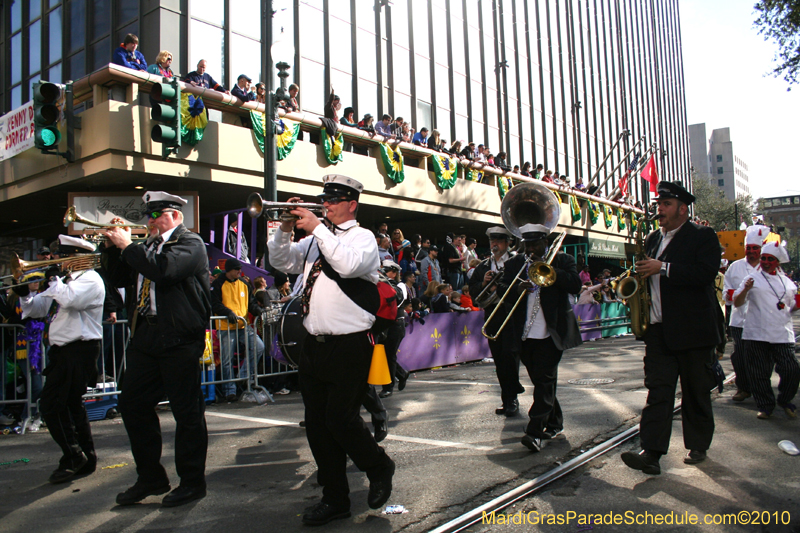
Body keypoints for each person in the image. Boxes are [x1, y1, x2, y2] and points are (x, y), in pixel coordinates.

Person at [267, 175, 395, 526]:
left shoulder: (362, 238)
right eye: (325, 199)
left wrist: (318, 229)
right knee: (318, 426)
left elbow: (348, 266)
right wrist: (284, 228)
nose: (327, 205)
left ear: (351, 204)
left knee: (341, 419)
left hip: (350, 344)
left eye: (335, 200)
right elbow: (281, 261)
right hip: (314, 343)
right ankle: (335, 498)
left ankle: (379, 465)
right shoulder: (315, 242)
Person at [104, 191, 211, 507]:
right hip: (146, 337)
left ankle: (192, 482)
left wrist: (128, 246)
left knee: (187, 412)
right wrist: (111, 248)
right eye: (147, 215)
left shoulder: (190, 243)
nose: (149, 221)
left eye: (156, 214)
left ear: (175, 215)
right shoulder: (145, 248)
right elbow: (119, 277)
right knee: (132, 405)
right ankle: (150, 477)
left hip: (179, 339)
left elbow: (164, 271)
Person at [621, 181, 723, 475]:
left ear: (682, 208)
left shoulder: (702, 236)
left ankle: (698, 444)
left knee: (696, 392)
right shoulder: (653, 238)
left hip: (694, 331)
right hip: (658, 331)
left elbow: (705, 273)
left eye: (665, 204)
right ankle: (650, 453)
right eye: (658, 204)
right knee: (658, 393)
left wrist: (662, 268)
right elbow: (647, 273)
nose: (659, 210)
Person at [16, 235, 104, 484]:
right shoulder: (64, 281)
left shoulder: (89, 279)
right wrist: (24, 295)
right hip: (63, 352)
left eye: (60, 256)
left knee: (51, 405)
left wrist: (53, 280)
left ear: (75, 256)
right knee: (70, 405)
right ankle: (86, 455)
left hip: (79, 350)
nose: (55, 260)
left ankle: (74, 456)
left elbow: (70, 300)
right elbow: (38, 309)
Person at [496, 224, 582, 452]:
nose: (531, 249)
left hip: (551, 332)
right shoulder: (515, 263)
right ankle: (555, 422)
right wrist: (517, 288)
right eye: (528, 245)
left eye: (536, 244)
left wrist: (550, 270)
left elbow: (575, 284)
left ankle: (534, 432)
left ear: (546, 242)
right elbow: (501, 288)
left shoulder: (562, 260)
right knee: (541, 381)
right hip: (524, 333)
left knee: (544, 381)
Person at [733, 240, 799, 419]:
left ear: (777, 262)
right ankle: (765, 405)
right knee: (758, 373)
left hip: (781, 334)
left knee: (791, 369)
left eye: (770, 259)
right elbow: (737, 303)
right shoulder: (751, 279)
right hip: (756, 333)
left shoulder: (788, 283)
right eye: (763, 258)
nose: (766, 262)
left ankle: (785, 399)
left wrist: (796, 306)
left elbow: (792, 306)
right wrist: (745, 290)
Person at [724, 225, 769, 402]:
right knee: (740, 356)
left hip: (761, 321)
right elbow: (727, 291)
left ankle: (761, 389)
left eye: (754, 248)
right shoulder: (735, 267)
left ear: (760, 250)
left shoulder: (767, 266)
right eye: (748, 248)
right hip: (739, 321)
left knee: (760, 358)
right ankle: (743, 387)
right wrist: (730, 294)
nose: (751, 251)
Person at [211, 258, 266, 401]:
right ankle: (230, 390)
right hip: (225, 327)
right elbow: (215, 304)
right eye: (237, 269)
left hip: (243, 325)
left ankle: (242, 377)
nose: (239, 272)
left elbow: (251, 303)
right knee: (226, 359)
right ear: (229, 270)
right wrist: (228, 313)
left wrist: (258, 311)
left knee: (259, 347)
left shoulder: (244, 285)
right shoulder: (218, 284)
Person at [378, 260, 410, 398]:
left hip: (396, 323)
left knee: (389, 355)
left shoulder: (400, 285)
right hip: (383, 324)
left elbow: (399, 300)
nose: (384, 273)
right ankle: (401, 373)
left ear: (394, 272)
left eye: (387, 271)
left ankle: (389, 386)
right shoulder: (379, 283)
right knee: (384, 355)